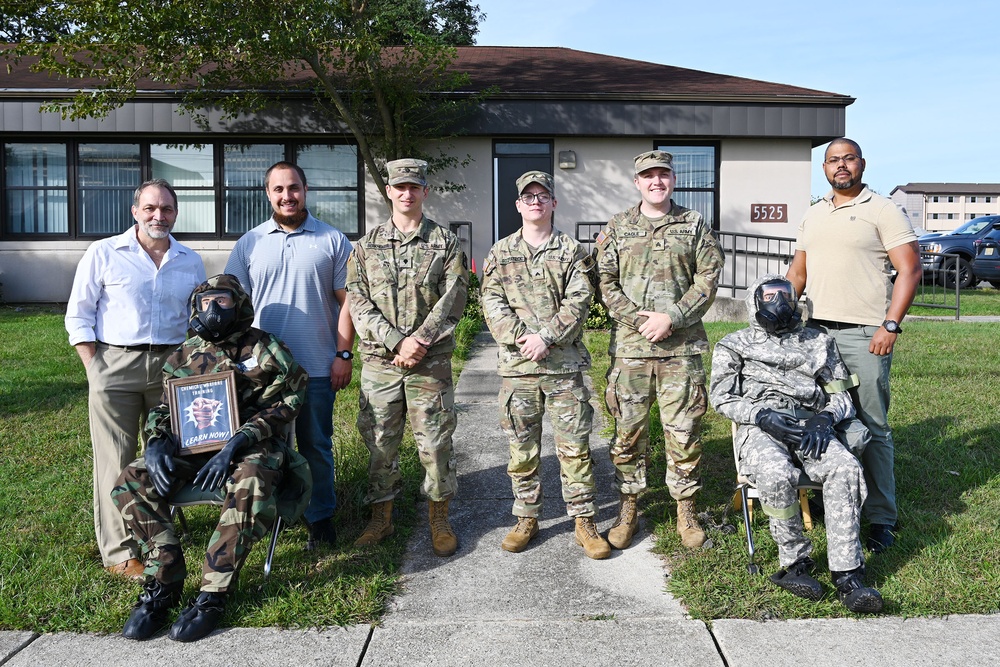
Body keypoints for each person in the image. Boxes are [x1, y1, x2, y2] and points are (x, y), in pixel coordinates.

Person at [111, 274, 309, 642]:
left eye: (223, 301)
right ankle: (164, 580)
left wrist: (238, 441)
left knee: (250, 478)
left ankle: (212, 595)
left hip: (252, 446)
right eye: (206, 303)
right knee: (131, 479)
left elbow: (294, 395)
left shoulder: (264, 348)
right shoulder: (184, 353)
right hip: (193, 450)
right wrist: (156, 442)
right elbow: (164, 407)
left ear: (239, 304)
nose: (214, 310)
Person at [710, 274, 884, 613]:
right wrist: (760, 415)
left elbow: (842, 395)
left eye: (786, 296)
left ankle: (848, 574)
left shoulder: (818, 341)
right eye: (771, 297)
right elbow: (720, 397)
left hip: (811, 426)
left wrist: (825, 418)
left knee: (845, 468)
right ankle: (794, 564)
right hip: (762, 427)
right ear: (755, 303)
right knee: (776, 472)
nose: (780, 304)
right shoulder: (734, 344)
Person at [65, 179, 206, 579]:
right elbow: (79, 315)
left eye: (166, 209)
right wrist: (95, 367)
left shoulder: (189, 260)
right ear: (135, 212)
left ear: (176, 213)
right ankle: (120, 553)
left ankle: (156, 533)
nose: (158, 216)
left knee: (165, 454)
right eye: (150, 208)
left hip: (170, 366)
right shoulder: (104, 252)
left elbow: (193, 320)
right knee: (116, 458)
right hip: (115, 363)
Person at [786, 138, 922, 553]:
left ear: (861, 164)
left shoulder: (882, 209)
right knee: (828, 418)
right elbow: (798, 274)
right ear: (824, 168)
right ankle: (838, 497)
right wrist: (779, 308)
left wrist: (890, 325)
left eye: (848, 159)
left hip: (867, 333)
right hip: (818, 333)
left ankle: (881, 517)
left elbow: (910, 268)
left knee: (873, 425)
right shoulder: (813, 214)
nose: (840, 166)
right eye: (832, 160)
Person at [595, 150, 724, 550]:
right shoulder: (618, 227)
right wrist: (638, 319)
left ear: (673, 179)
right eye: (648, 176)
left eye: (663, 175)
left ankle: (685, 509)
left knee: (684, 433)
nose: (656, 182)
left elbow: (709, 277)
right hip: (631, 351)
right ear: (636, 182)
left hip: (680, 349)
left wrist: (672, 316)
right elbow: (605, 281)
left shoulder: (694, 224)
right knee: (628, 434)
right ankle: (628, 507)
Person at [224, 161, 355, 550]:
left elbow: (349, 303)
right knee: (266, 449)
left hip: (316, 366)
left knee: (316, 445)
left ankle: (320, 517)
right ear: (268, 194)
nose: (287, 196)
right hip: (263, 374)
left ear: (305, 189)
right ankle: (269, 515)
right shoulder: (249, 243)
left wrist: (343, 354)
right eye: (278, 189)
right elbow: (233, 304)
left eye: (293, 188)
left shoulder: (332, 240)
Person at [481, 171, 610, 559]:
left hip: (563, 369)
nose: (535, 201)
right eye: (528, 196)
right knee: (521, 449)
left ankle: (584, 521)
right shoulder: (500, 252)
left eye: (543, 195)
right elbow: (491, 301)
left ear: (553, 203)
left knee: (575, 448)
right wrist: (523, 338)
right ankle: (526, 517)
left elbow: (580, 300)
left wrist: (546, 337)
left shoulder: (573, 252)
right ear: (518, 205)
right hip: (518, 369)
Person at [347, 158, 468, 557]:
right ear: (389, 192)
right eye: (399, 187)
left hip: (429, 362)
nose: (406, 193)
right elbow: (358, 301)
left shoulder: (446, 243)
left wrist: (419, 341)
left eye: (414, 186)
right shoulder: (366, 246)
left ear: (425, 192)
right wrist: (397, 341)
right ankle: (381, 518)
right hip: (381, 362)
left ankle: (439, 517)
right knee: (380, 441)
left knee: (435, 443)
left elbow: (454, 299)